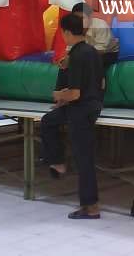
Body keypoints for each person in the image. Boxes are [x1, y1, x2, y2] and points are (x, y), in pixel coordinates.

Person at [40, 13, 104, 219]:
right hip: (93, 105)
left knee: (83, 159)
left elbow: (75, 93)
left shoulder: (76, 56)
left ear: (66, 32)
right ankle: (57, 161)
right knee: (48, 121)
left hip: (81, 109)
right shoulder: (93, 51)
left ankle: (91, 207)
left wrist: (59, 95)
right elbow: (101, 83)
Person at [71, 2, 119, 70]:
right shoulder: (73, 27)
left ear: (90, 17)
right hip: (86, 54)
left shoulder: (101, 25)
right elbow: (70, 47)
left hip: (108, 53)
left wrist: (80, 56)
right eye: (76, 18)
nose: (79, 21)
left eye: (82, 18)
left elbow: (101, 49)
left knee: (90, 62)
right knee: (66, 66)